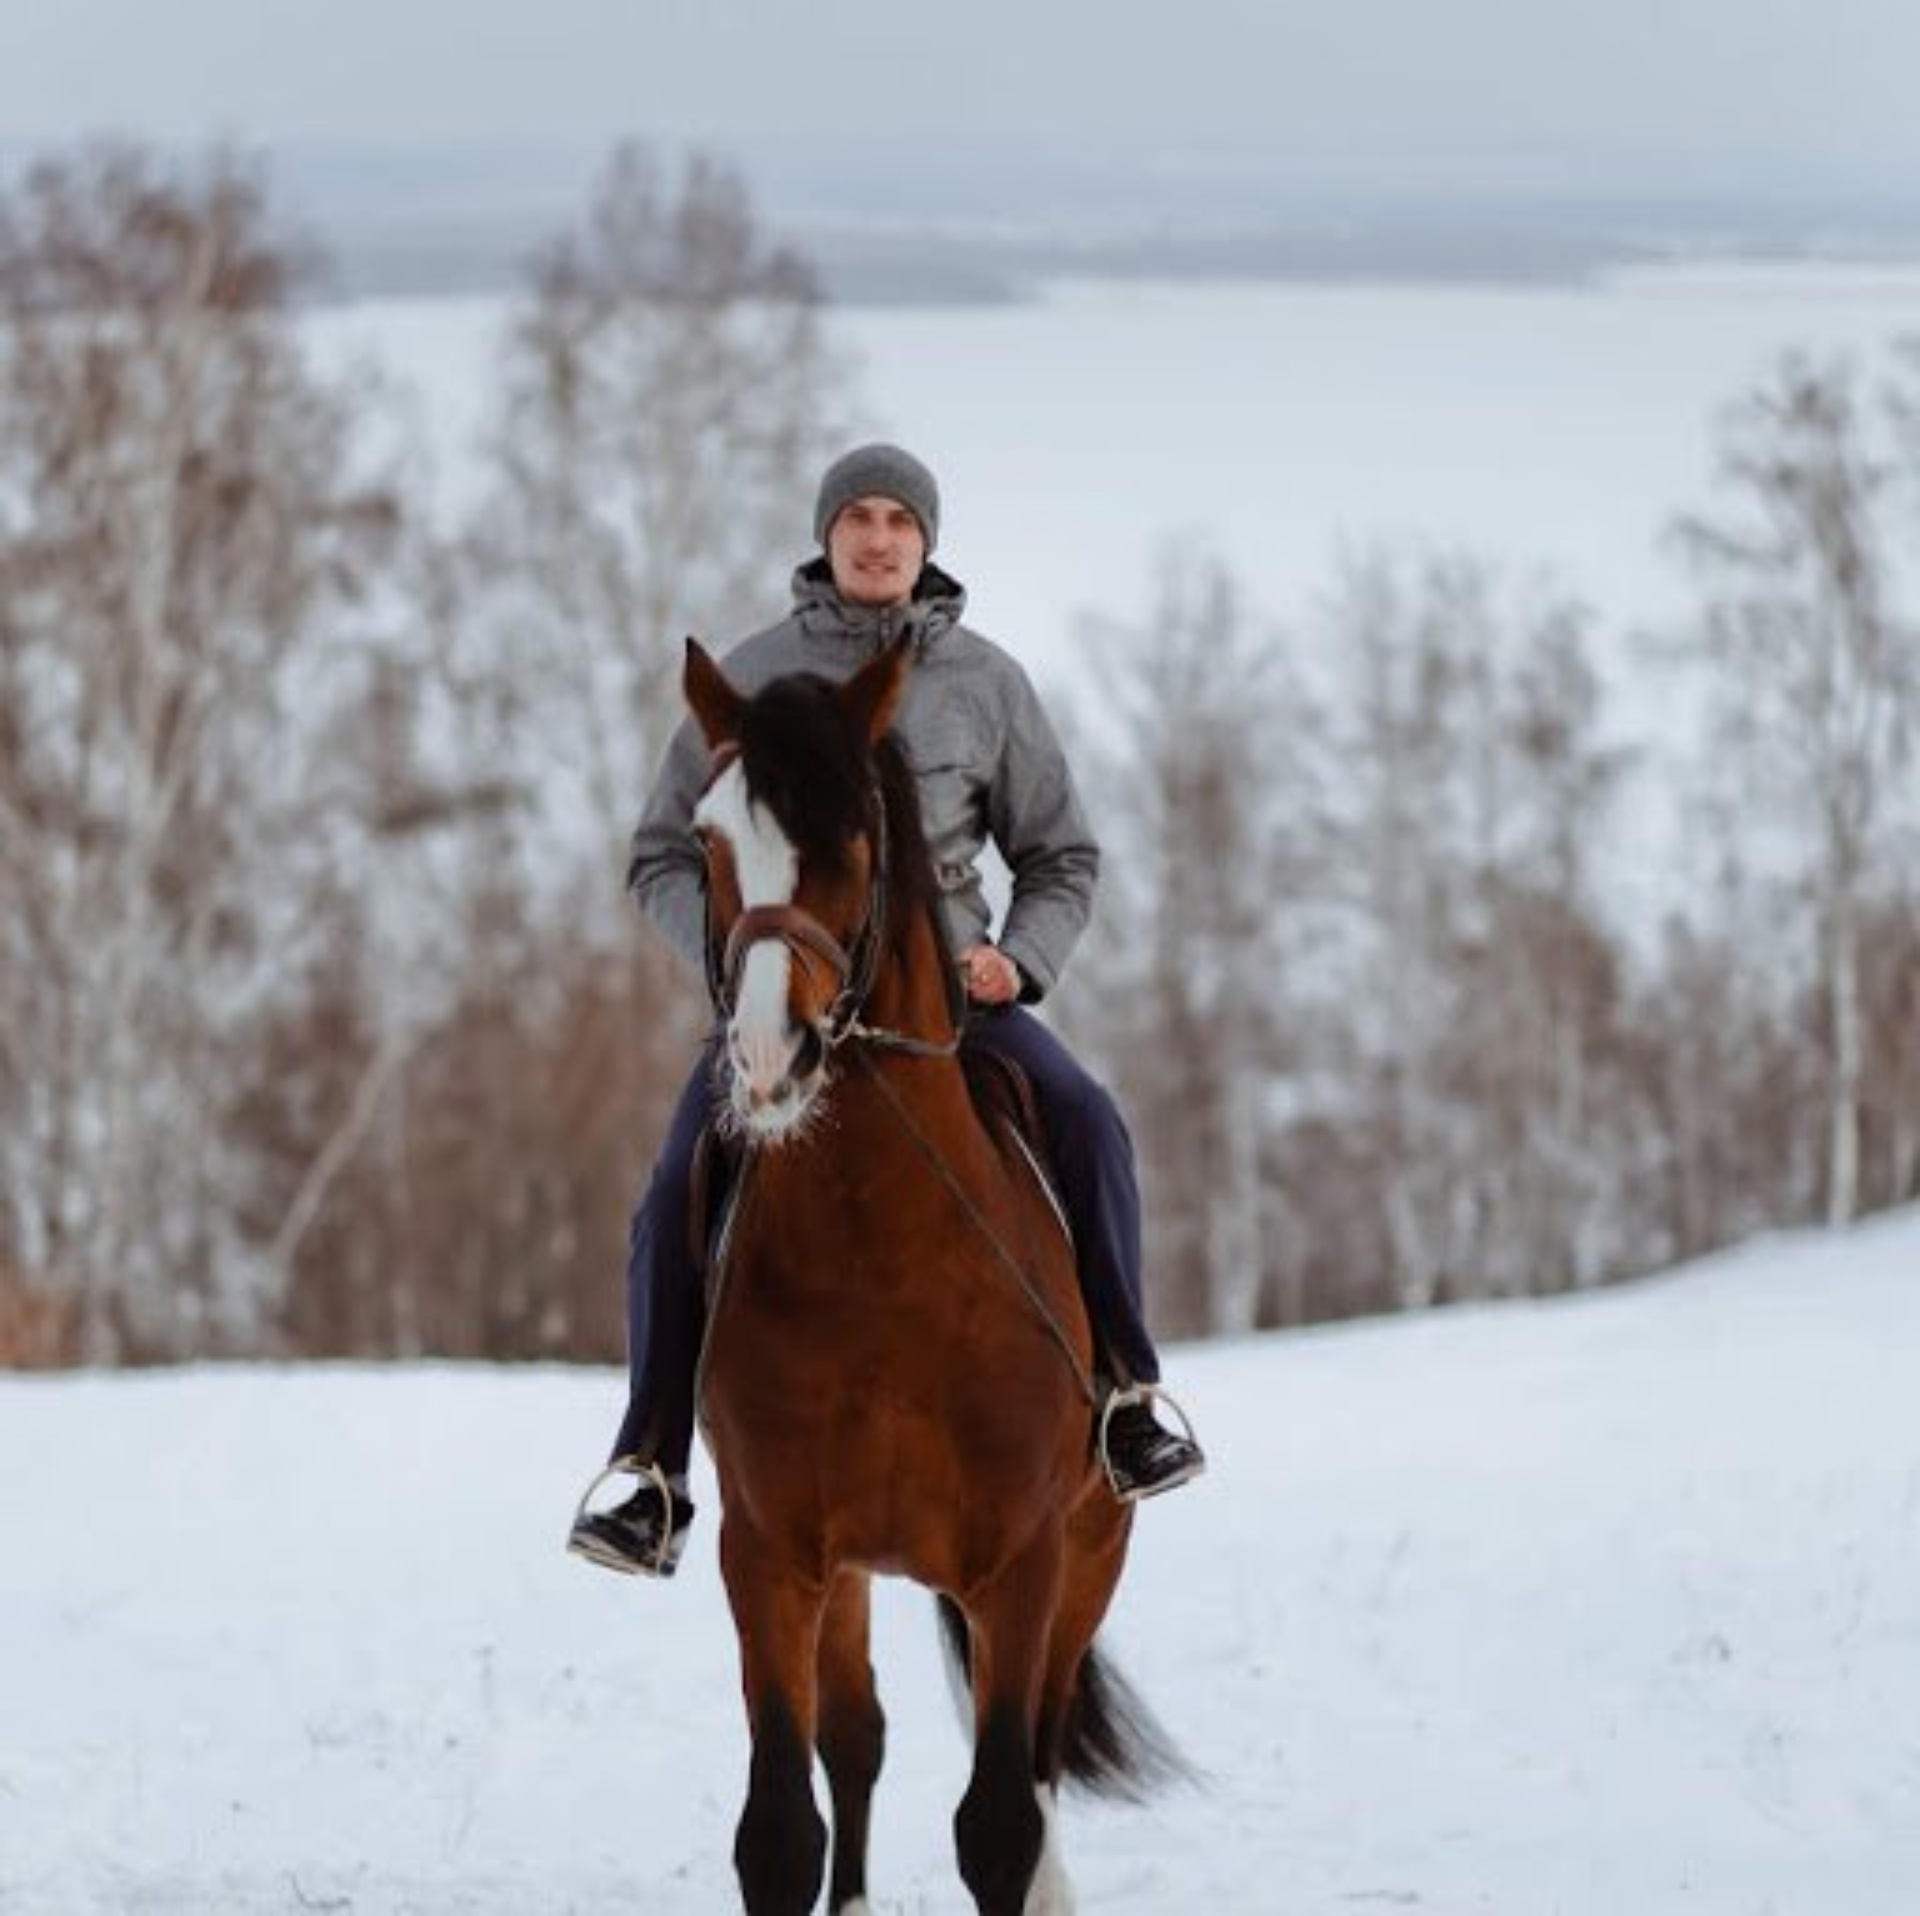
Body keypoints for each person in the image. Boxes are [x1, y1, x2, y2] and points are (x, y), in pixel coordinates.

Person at [568, 443, 1206, 1578]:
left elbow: (1061, 854)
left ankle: (1124, 1395)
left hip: (946, 1003)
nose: (876, 537)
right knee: (676, 1179)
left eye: (898, 520)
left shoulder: (988, 684)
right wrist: (731, 963)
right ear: (825, 535)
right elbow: (663, 854)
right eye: (856, 516)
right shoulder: (752, 680)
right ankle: (652, 1467)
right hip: (785, 997)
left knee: (1093, 1123)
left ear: (926, 542)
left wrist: (1021, 959)